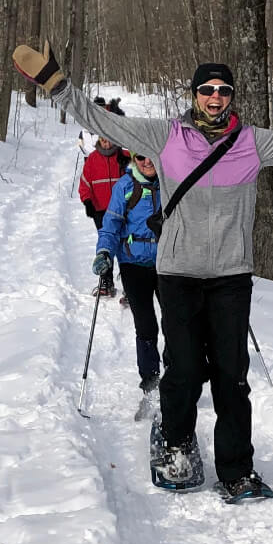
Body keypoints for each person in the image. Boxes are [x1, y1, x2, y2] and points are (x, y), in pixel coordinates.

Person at [13, 41, 273, 501]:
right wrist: (57, 85)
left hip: (230, 278)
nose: (215, 97)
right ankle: (175, 444)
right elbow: (102, 121)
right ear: (194, 95)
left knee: (232, 377)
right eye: (207, 89)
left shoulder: (251, 143)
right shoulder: (163, 136)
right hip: (179, 275)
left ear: (231, 97)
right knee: (184, 369)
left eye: (224, 90)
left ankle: (236, 469)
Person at [92, 152, 162, 420]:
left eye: (152, 155)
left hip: (168, 263)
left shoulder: (171, 182)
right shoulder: (125, 186)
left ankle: (177, 382)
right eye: (142, 157)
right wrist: (104, 253)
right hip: (133, 265)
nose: (148, 162)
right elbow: (110, 226)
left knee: (177, 324)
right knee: (146, 326)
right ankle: (151, 386)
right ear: (134, 158)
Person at [78, 98, 130, 232]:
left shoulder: (124, 156)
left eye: (109, 140)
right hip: (100, 210)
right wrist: (87, 201)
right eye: (103, 140)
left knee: (124, 244)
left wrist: (128, 166)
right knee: (106, 241)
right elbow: (85, 183)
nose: (106, 144)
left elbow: (142, 171)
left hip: (122, 209)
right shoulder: (92, 159)